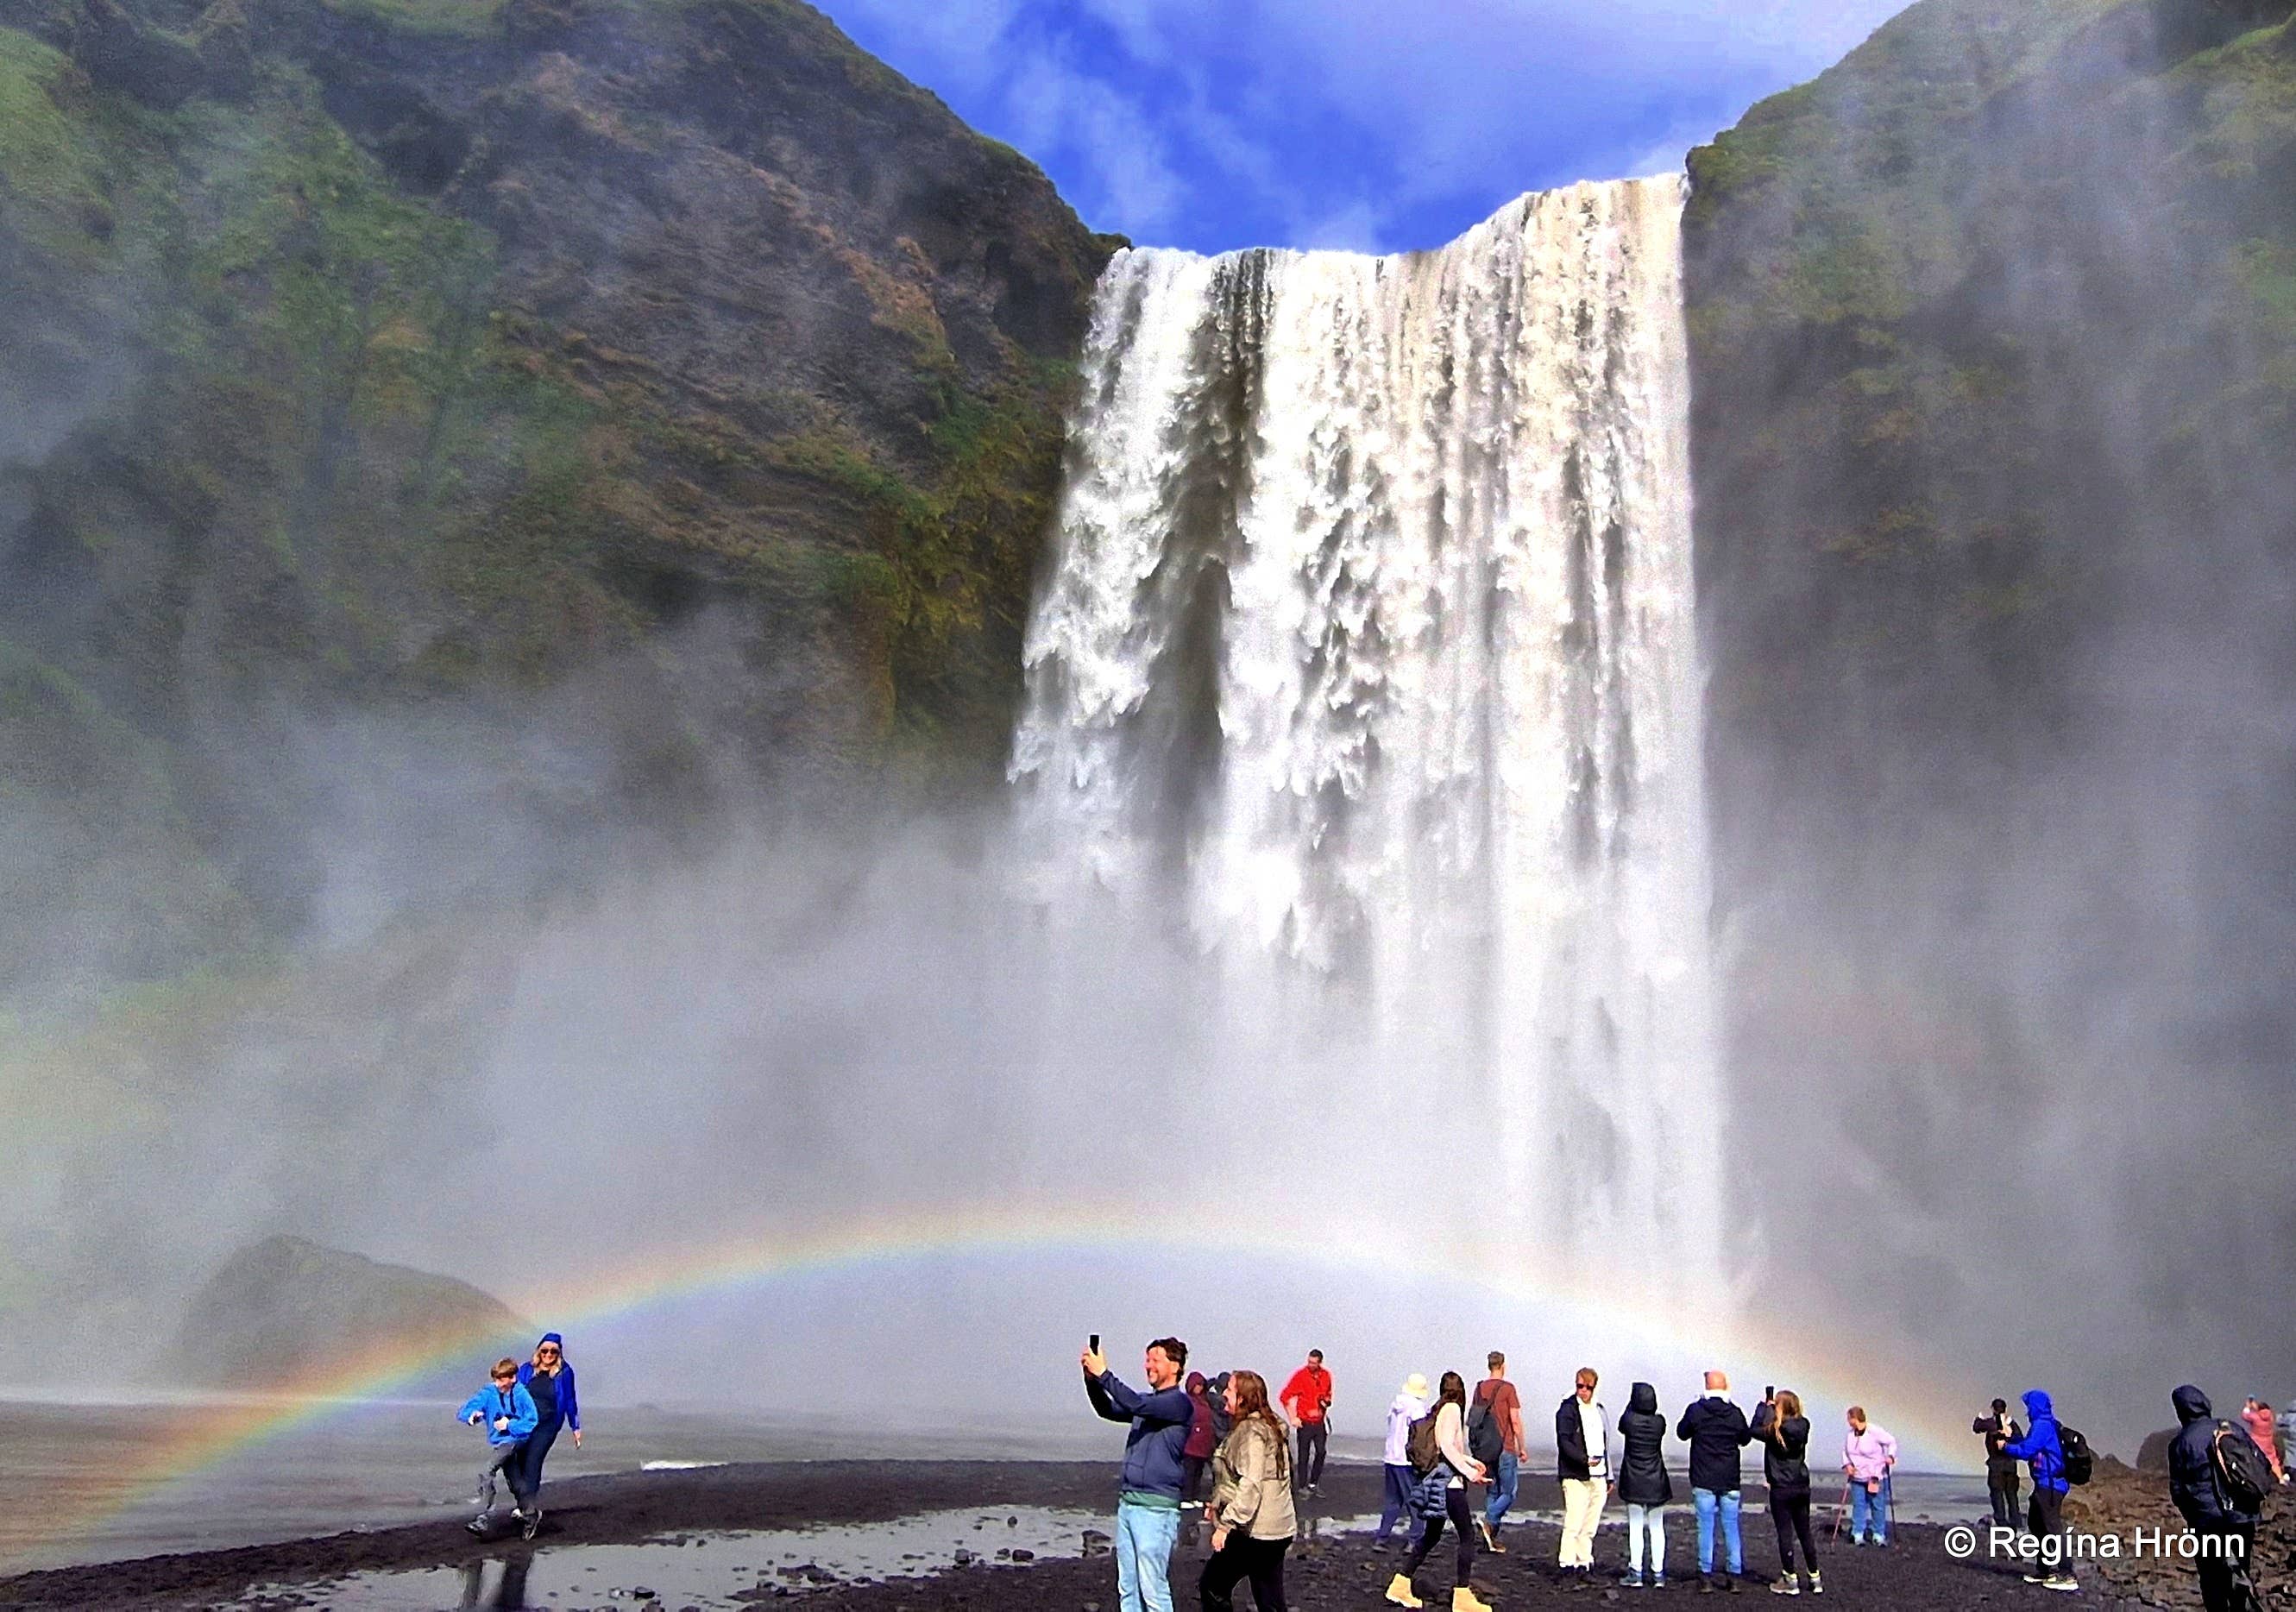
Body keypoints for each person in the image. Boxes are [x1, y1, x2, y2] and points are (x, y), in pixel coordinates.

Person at [1085, 1337, 1196, 1612]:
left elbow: (1135, 1405)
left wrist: (1104, 1374)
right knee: (1128, 1588)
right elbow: (1107, 1409)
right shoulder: (1148, 1403)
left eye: (1155, 1360)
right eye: (1147, 1359)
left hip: (1156, 1511)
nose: (1148, 1365)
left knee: (1153, 1590)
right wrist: (1092, 1381)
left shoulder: (1179, 1404)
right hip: (1129, 1505)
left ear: (1175, 1366)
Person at [1389, 1370, 1493, 1612]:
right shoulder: (1453, 1410)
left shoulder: (1438, 1409)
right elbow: (1446, 1446)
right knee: (1467, 1535)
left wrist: (1470, 1461)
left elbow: (1443, 1446)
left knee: (1432, 1535)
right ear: (1461, 1391)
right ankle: (1462, 1597)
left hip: (1439, 1481)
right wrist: (1470, 1474)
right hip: (1449, 1484)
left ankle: (1401, 1583)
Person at [1199, 1370, 1296, 1612]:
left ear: (1242, 1398)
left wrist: (1225, 1525)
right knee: (1269, 1598)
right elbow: (1259, 1480)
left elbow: (1251, 1484)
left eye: (1229, 1390)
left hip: (1256, 1532)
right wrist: (1217, 1504)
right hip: (1279, 1529)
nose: (1224, 1394)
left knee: (1213, 1586)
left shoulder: (1252, 1433)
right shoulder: (1270, 1427)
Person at [2171, 1386, 2261, 1612]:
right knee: (2241, 1569)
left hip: (2206, 1520)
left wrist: (2192, 1517)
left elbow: (2178, 1490)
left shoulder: (2181, 1442)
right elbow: (2261, 1465)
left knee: (2211, 1577)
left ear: (2181, 1410)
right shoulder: (2233, 1429)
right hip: (2242, 1516)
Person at [1677, 1370, 1752, 1592]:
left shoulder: (1696, 1410)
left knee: (1705, 1527)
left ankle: (1706, 1576)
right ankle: (1734, 1576)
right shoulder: (1735, 1412)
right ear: (1725, 1386)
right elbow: (1745, 1439)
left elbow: (1682, 1433)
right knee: (1731, 1527)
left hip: (1703, 1477)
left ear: (1707, 1387)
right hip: (1729, 1477)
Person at [1999, 1389, 2078, 1593]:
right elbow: (2028, 1445)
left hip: (2050, 1486)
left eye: (2029, 1406)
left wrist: (2005, 1446)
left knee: (2052, 1528)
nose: (2027, 1410)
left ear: (2035, 1406)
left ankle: (2067, 1574)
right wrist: (2012, 1439)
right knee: (2036, 1524)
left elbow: (2026, 1451)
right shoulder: (2045, 1424)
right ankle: (2044, 1570)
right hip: (2044, 1485)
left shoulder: (2043, 1425)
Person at [457, 1356, 538, 1536]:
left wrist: (509, 1425)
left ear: (513, 1378)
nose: (498, 1383)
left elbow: (532, 1420)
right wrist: (473, 1416)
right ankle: (530, 1514)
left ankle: (482, 1518)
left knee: (487, 1471)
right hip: (499, 1441)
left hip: (515, 1439)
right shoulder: (489, 1392)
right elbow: (464, 1410)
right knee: (515, 1481)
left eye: (502, 1379)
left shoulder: (522, 1394)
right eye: (496, 1379)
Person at [512, 1332, 582, 1540]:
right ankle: (524, 1505)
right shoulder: (526, 1370)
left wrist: (575, 1427)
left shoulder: (564, 1373)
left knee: (533, 1462)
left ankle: (530, 1512)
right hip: (525, 1423)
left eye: (553, 1351)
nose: (548, 1355)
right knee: (518, 1463)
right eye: (545, 1350)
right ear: (538, 1351)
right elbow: (513, 1394)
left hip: (548, 1425)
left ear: (559, 1353)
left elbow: (570, 1399)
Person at [1752, 1389, 1820, 1596]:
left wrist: (1764, 1408)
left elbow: (1753, 1430)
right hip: (1801, 1485)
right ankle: (1815, 1578)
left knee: (1785, 1533)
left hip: (1781, 1488)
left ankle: (1790, 1579)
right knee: (1805, 1532)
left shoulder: (1775, 1430)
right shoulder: (1804, 1425)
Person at [1556, 1367, 1612, 1580]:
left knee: (1590, 1524)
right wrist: (1583, 1460)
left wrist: (1609, 1475)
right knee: (1574, 1520)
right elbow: (1564, 1441)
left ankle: (1584, 1563)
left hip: (1599, 1474)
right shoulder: (1567, 1410)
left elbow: (1606, 1443)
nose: (1584, 1391)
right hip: (1575, 1473)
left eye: (1588, 1387)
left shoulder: (1600, 1409)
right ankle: (1566, 1564)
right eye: (1580, 1386)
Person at [1617, 1381, 1673, 1589]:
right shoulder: (1660, 1422)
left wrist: (1630, 1403)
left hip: (1634, 1479)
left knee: (1636, 1526)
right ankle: (1658, 1573)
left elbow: (1622, 1424)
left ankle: (1636, 1571)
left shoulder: (1630, 1421)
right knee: (1657, 1527)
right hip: (1656, 1478)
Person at [1470, 1352, 1523, 1552]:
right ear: (1503, 1366)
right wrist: (1522, 1446)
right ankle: (1489, 1520)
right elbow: (1515, 1420)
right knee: (1509, 1492)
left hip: (1486, 1447)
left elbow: (1474, 1419)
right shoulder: (1508, 1389)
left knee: (1493, 1490)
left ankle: (1490, 1536)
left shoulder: (1479, 1388)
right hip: (1505, 1446)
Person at [1376, 1374, 1431, 1552]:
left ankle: (1382, 1537)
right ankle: (1415, 1540)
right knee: (1415, 1500)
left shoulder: (1395, 1405)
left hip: (1391, 1457)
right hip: (1406, 1460)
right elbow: (1420, 1436)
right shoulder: (1417, 1409)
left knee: (1393, 1500)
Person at [1840, 1407, 1897, 1546]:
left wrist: (1890, 1456)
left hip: (1875, 1475)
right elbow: (1845, 1452)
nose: (1848, 1422)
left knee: (1877, 1505)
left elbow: (1891, 1442)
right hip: (1857, 1476)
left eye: (1849, 1418)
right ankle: (1858, 1533)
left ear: (1855, 1418)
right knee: (1859, 1505)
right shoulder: (1850, 1435)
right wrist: (1847, 1465)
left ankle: (1878, 1534)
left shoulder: (1874, 1431)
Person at [1280, 1351, 1333, 1495]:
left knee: (1321, 1452)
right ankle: (1302, 1486)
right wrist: (1293, 1417)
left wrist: (1326, 1402)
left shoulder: (1326, 1376)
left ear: (1320, 1363)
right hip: (1304, 1422)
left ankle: (1313, 1483)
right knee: (1303, 1455)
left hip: (1320, 1422)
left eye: (1313, 1363)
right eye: (1309, 1362)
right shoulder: (1301, 1376)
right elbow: (1284, 1396)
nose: (1310, 1365)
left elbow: (1328, 1395)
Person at [1973, 1398, 2024, 1528]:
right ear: (2005, 1409)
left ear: (1993, 1409)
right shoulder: (2012, 1424)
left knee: (1997, 1494)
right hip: (2011, 1465)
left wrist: (1979, 1418)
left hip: (1996, 1465)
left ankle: (2001, 1522)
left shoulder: (1992, 1423)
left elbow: (1976, 1428)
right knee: (2012, 1495)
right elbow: (2021, 1440)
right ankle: (2016, 1523)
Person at [1184, 1372, 1219, 1505]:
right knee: (1189, 1471)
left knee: (1198, 1472)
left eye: (1201, 1385)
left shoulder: (1205, 1401)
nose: (1199, 1387)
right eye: (1196, 1385)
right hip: (1191, 1443)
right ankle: (1186, 1497)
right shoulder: (1187, 1401)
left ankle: (1194, 1496)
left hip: (1203, 1443)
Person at [2240, 1397, 2285, 1484]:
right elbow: (2267, 1412)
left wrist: (2248, 1407)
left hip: (2257, 1443)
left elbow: (2245, 1416)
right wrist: (2257, 1408)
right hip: (2268, 1443)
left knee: (2255, 1461)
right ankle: (2281, 1479)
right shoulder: (2271, 1418)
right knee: (2274, 1462)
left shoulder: (2255, 1417)